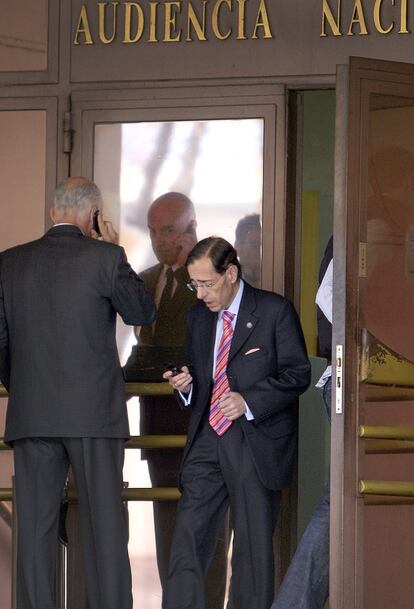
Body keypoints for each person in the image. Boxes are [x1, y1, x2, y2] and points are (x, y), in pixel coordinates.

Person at [0, 177, 156, 609]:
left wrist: (25, 387)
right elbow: (142, 312)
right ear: (94, 215)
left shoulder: (9, 262)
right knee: (104, 524)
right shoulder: (106, 257)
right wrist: (114, 247)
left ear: (53, 214)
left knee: (34, 529)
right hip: (95, 416)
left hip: (33, 415)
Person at [162, 236, 311, 609]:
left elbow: (297, 374)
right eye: (193, 285)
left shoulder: (274, 311)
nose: (199, 295)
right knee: (186, 541)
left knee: (251, 553)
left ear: (230, 273)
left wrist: (249, 401)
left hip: (253, 440)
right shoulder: (197, 318)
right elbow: (200, 374)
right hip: (207, 438)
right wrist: (186, 385)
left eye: (206, 284)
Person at [124, 192, 229, 608]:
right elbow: (144, 347)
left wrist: (193, 277)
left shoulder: (216, 279)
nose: (157, 239)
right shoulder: (145, 281)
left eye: (167, 230)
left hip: (204, 428)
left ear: (191, 229)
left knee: (208, 532)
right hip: (158, 426)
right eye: (152, 230)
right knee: (167, 525)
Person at [271, 235, 333, 609]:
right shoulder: (369, 227)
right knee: (341, 502)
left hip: (348, 381)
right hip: (358, 384)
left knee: (340, 503)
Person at [234, 213, 262, 287]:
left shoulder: (272, 277)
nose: (260, 252)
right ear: (238, 247)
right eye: (255, 245)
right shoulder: (229, 282)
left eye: (262, 247)